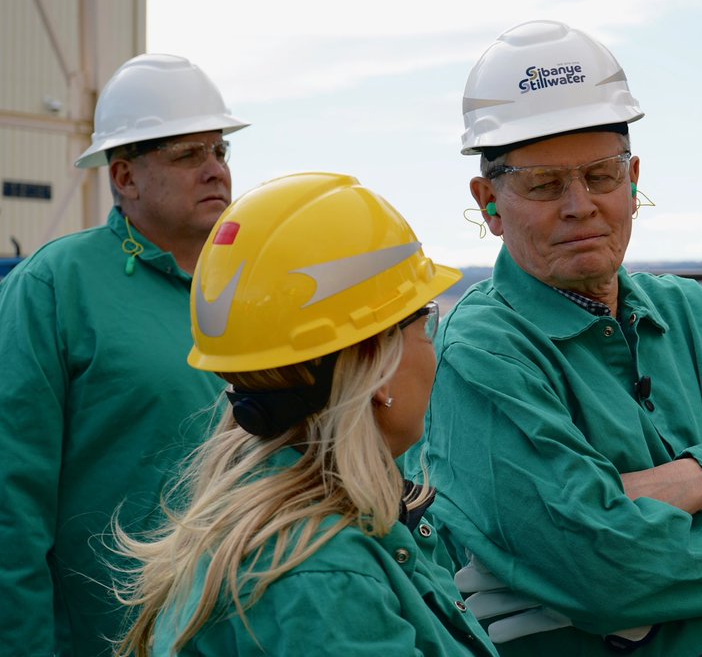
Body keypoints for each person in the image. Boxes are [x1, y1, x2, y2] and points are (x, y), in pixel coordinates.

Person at [415, 20, 702, 656]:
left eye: (600, 176)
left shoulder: (690, 315)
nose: (579, 205)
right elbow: (603, 568)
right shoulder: (481, 353)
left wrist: (695, 480)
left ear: (632, 180)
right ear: (489, 202)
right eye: (544, 185)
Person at [112, 171, 486, 655]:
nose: (431, 346)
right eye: (423, 321)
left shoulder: (295, 526)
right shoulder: (320, 577)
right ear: (377, 364)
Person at [0, 53, 249, 657]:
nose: (215, 170)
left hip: (243, 629)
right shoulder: (55, 287)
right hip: (106, 637)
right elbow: (11, 501)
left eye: (219, 151)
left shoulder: (254, 284)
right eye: (188, 155)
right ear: (125, 177)